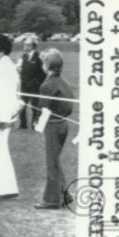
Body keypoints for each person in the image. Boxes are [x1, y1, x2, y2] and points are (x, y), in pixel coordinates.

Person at [35, 48, 75, 209]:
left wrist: (38, 126)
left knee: (51, 163)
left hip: (53, 126)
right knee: (55, 161)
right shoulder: (64, 82)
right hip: (63, 124)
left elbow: (43, 110)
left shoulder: (47, 85)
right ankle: (66, 195)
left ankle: (51, 199)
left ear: (47, 65)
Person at [0, 33, 21, 199]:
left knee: (0, 150)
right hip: (2, 112)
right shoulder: (5, 65)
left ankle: (7, 188)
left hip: (2, 114)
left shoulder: (2, 67)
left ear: (1, 49)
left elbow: (2, 94)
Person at [18, 38, 47, 129]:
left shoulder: (39, 57)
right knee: (22, 105)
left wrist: (37, 82)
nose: (25, 46)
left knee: (35, 107)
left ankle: (35, 125)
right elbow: (21, 70)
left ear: (32, 46)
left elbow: (43, 73)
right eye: (24, 44)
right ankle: (23, 125)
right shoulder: (23, 57)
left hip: (35, 87)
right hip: (24, 86)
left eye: (27, 45)